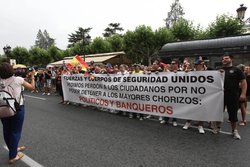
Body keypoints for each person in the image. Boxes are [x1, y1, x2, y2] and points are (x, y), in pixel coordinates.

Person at [0, 62, 35, 164]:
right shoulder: (18, 80)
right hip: (17, 108)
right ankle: (13, 156)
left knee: (7, 130)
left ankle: (13, 148)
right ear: (11, 70)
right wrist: (32, 77)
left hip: (2, 108)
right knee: (15, 131)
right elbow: (32, 88)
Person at [215, 54, 247, 140]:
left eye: (226, 58)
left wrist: (243, 94)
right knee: (218, 112)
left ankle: (234, 131)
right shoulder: (218, 70)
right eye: (223, 59)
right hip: (220, 96)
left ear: (231, 59)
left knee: (233, 113)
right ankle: (218, 128)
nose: (224, 60)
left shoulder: (236, 70)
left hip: (233, 95)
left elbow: (243, 82)